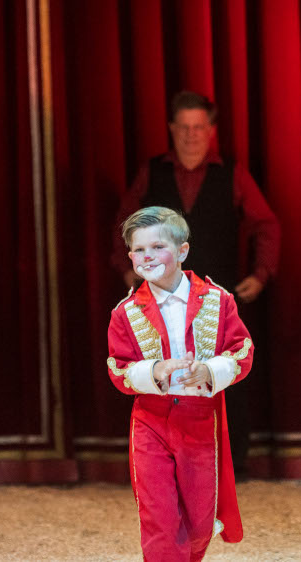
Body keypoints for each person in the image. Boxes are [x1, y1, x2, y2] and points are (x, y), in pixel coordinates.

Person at [112, 90, 279, 480]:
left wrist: (261, 273)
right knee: (160, 376)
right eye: (183, 127)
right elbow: (124, 219)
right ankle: (162, 466)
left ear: (211, 130)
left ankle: (232, 466)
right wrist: (126, 269)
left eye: (198, 127)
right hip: (157, 295)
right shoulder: (153, 172)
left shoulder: (231, 172)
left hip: (214, 295)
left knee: (226, 376)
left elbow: (266, 224)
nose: (191, 135)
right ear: (172, 129)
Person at [107, 206, 254, 560]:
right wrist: (155, 369)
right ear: (130, 257)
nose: (148, 256)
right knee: (159, 517)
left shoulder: (219, 301)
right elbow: (118, 367)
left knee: (200, 521)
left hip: (200, 418)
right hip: (151, 420)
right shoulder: (125, 312)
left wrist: (210, 371)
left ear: (182, 251)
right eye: (140, 250)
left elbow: (242, 350)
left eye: (158, 247)